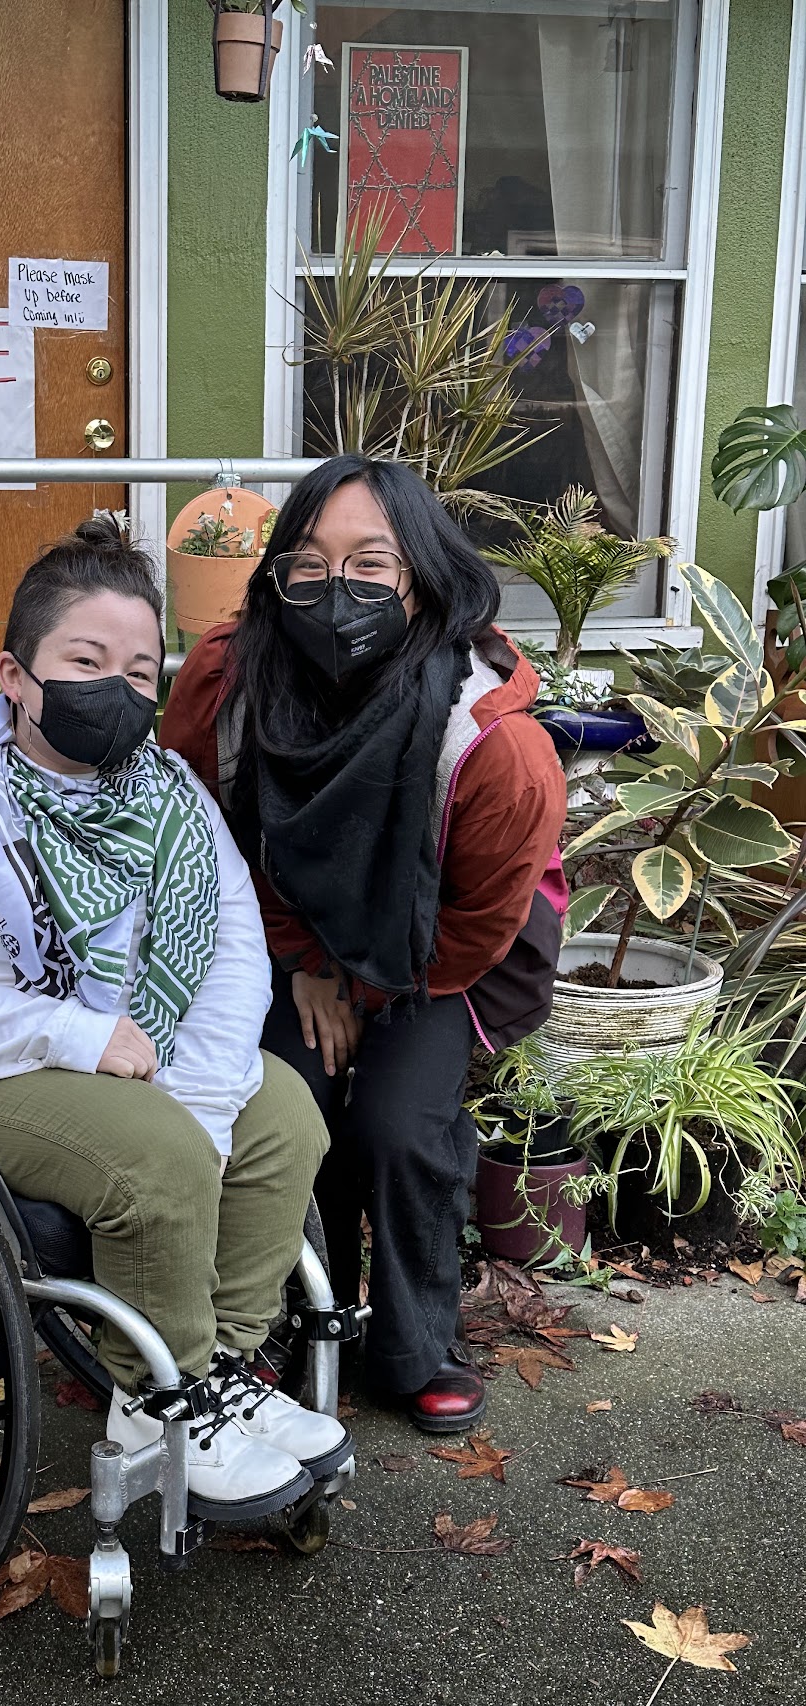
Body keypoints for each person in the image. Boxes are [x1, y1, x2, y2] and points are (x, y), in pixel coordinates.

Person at [0, 515, 352, 1521]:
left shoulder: (173, 799)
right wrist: (74, 1035)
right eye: (85, 658)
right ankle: (156, 1397)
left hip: (127, 1058)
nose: (116, 687)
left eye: (139, 668)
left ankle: (213, 1373)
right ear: (14, 675)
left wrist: (199, 1086)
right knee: (153, 1153)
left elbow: (233, 953)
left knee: (282, 1108)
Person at [160, 457, 568, 1434]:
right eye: (305, 565)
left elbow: (478, 920)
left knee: (394, 1121)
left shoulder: (494, 744)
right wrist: (306, 961)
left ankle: (412, 1344)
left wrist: (364, 988)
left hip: (449, 953)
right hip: (286, 930)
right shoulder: (227, 677)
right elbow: (203, 833)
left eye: (369, 565)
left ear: (419, 578)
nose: (333, 590)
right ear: (273, 577)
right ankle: (290, 1327)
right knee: (282, 1103)